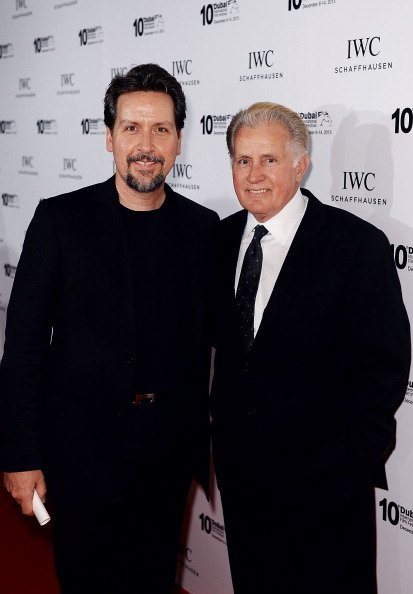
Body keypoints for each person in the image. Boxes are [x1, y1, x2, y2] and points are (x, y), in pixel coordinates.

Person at [0, 63, 219, 594]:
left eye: (161, 129)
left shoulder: (202, 229)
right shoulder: (60, 220)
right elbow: (24, 346)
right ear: (108, 137)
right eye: (132, 128)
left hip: (165, 452)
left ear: (179, 140)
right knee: (85, 579)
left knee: (151, 578)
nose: (147, 144)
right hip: (80, 450)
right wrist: (20, 455)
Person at [210, 102, 411, 594]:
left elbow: (384, 364)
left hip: (327, 489)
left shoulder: (356, 245)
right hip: (242, 481)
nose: (254, 175)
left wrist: (348, 461)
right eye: (242, 160)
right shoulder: (219, 239)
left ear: (301, 164)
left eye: (270, 160)